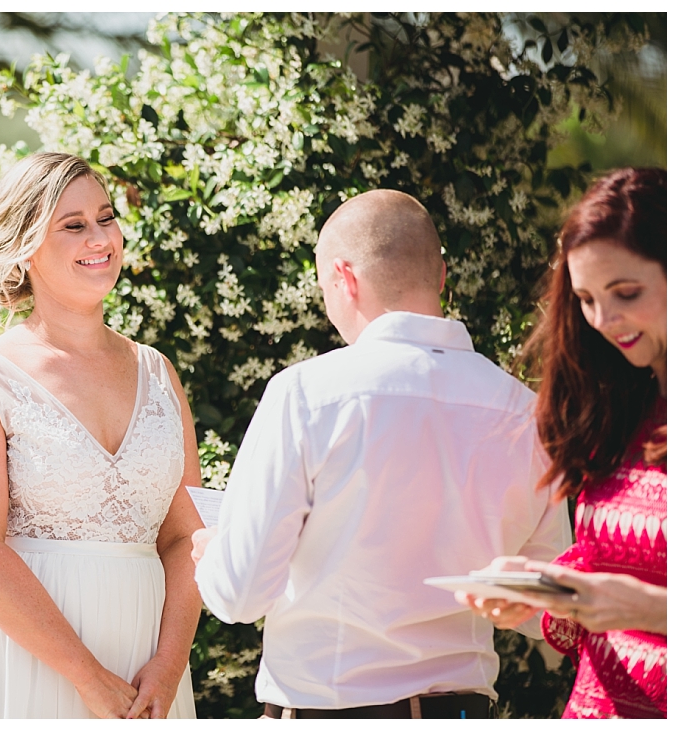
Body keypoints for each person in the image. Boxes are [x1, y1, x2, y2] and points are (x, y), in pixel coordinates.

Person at [191, 189, 571, 719]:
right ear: (442, 276)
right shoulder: (528, 414)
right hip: (463, 713)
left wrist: (214, 552)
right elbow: (550, 606)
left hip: (330, 712)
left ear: (343, 277)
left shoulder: (306, 395)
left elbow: (239, 595)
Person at [0, 152, 203, 719]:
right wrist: (85, 676)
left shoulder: (157, 372)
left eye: (106, 217)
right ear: (25, 247)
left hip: (147, 665)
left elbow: (185, 536)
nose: (100, 238)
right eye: (73, 225)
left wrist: (169, 665)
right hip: (22, 664)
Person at [460, 167, 666, 718]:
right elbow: (607, 563)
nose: (604, 319)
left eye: (626, 293)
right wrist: (544, 590)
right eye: (586, 299)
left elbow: (638, 594)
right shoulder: (619, 409)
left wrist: (653, 610)